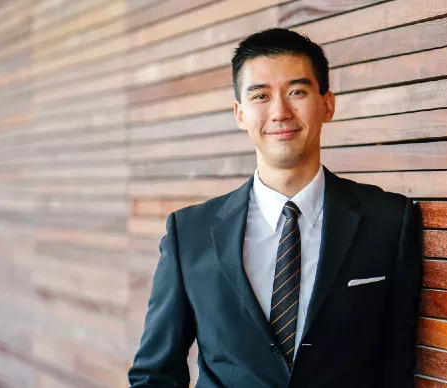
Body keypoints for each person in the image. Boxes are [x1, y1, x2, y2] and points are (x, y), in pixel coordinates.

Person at [128, 27, 423, 388]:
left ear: (327, 103)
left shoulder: (390, 221)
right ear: (240, 114)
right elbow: (154, 375)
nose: (280, 111)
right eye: (260, 96)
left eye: (297, 92)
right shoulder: (189, 233)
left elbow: (397, 370)